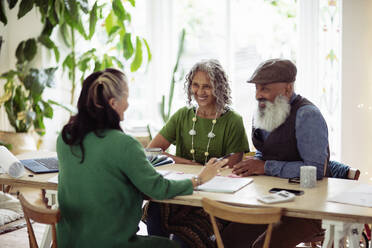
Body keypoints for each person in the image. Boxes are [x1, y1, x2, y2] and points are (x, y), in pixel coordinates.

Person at [56, 68, 228, 248]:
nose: (128, 105)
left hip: (69, 243)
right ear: (113, 103)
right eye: (126, 98)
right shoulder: (124, 144)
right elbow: (158, 189)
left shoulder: (66, 137)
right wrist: (199, 179)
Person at [222, 58, 348, 248]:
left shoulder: (308, 115)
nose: (257, 95)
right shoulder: (265, 110)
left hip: (308, 210)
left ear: (287, 89)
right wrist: (251, 167)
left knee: (262, 246)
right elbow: (264, 153)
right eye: (256, 89)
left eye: (264, 89)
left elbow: (315, 170)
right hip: (271, 201)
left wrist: (265, 167)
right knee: (228, 239)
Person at [145, 59, 250, 248]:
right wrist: (188, 164)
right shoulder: (182, 115)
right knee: (155, 209)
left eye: (207, 86)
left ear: (219, 88)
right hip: (183, 193)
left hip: (213, 200)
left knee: (184, 240)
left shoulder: (233, 120)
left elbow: (234, 166)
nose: (200, 92)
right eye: (195, 85)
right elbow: (152, 151)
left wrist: (202, 172)